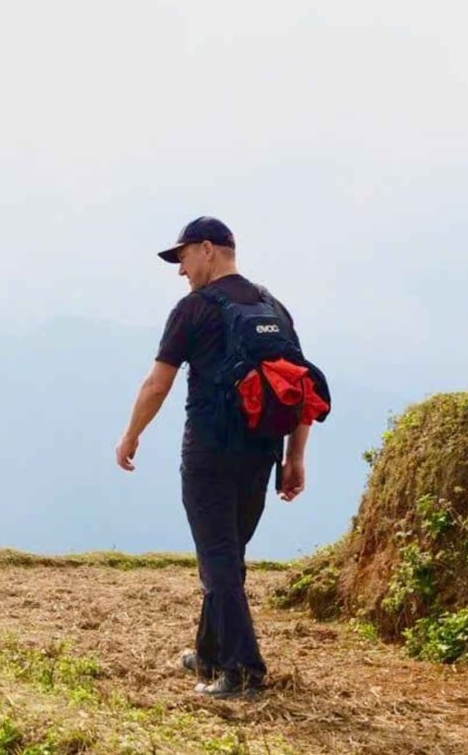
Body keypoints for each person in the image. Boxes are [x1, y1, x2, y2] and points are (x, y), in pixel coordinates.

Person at [114, 217, 323, 698]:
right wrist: (295, 456)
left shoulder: (194, 308)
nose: (180, 270)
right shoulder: (273, 306)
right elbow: (299, 387)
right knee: (227, 556)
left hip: (210, 452)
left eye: (183, 257)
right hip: (262, 452)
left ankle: (244, 670)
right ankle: (209, 654)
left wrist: (131, 434)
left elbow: (157, 384)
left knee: (219, 561)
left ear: (207, 249)